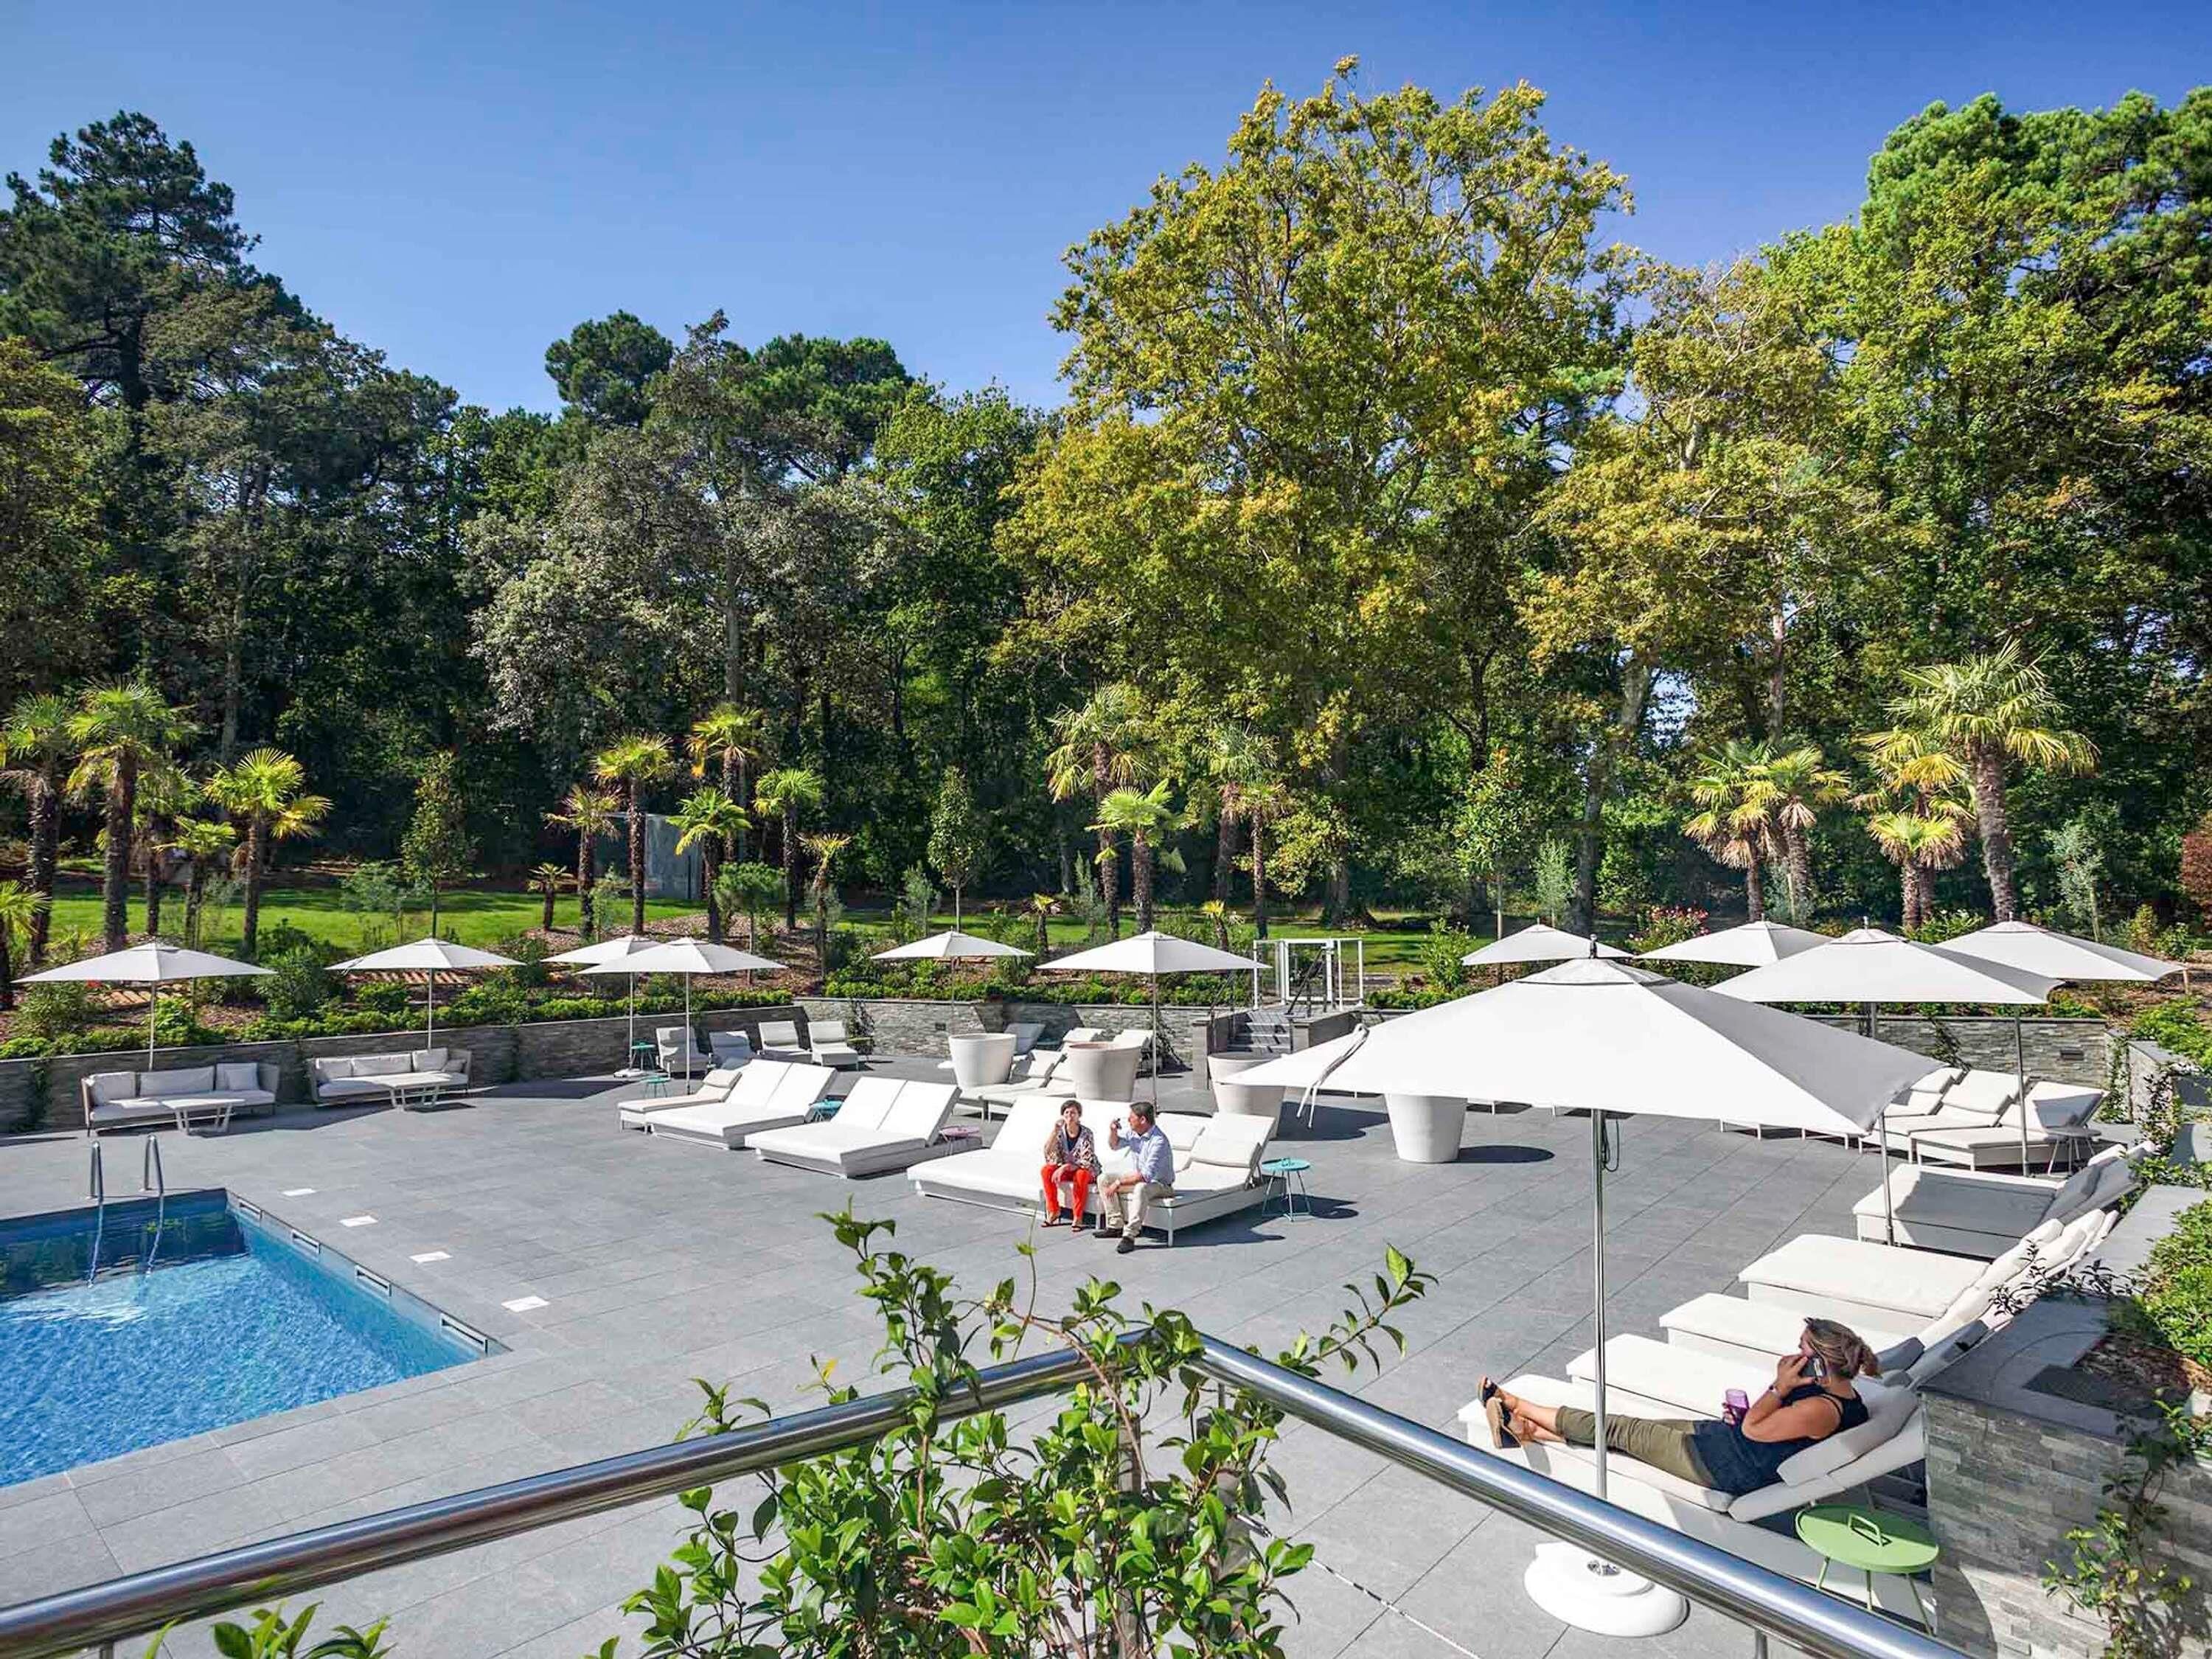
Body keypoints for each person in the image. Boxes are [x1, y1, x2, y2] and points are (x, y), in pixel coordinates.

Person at [1478, 1318, 1880, 1496]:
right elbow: (1767, 1430)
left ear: (1821, 1362)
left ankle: (1515, 1404)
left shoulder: (1823, 1410)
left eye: (1802, 1350)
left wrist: (1779, 1385)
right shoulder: (1837, 1397)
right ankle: (1524, 1431)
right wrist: (1749, 1413)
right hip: (1728, 1444)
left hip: (1723, 1465)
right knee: (1629, 1432)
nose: (1794, 1354)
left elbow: (1756, 1432)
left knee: (1620, 1431)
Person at [1101, 1101, 1174, 1254]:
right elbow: (1114, 1146)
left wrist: (1119, 1183)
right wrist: (1113, 1131)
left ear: (1143, 1120)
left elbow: (1145, 1177)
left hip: (1161, 1185)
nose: (1128, 1120)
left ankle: (1129, 1236)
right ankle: (1115, 1225)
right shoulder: (1134, 1133)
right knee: (1104, 1179)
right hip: (1140, 1178)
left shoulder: (1158, 1141)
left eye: (1131, 1118)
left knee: (1141, 1188)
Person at [1040, 1099, 1101, 1231]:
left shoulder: (1086, 1133)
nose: (1069, 1115)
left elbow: (1086, 1161)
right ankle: (1053, 1211)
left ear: (1079, 1116)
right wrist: (1054, 1131)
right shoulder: (1060, 1133)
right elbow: (1048, 1152)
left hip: (1086, 1169)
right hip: (1067, 1168)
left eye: (1073, 1113)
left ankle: (1078, 1217)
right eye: (1066, 1112)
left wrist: (1065, 1167)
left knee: (1081, 1175)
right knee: (1046, 1171)